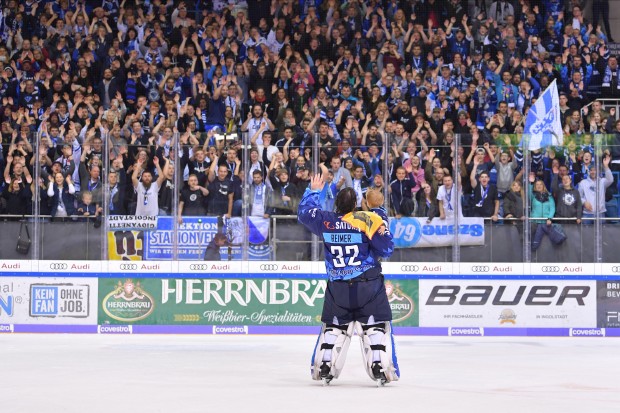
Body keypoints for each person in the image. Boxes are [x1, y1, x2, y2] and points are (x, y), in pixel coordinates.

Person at [298, 174, 399, 386]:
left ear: (336, 203)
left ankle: (325, 363)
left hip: (338, 289)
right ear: (356, 205)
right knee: (376, 327)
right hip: (368, 286)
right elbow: (387, 247)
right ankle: (380, 363)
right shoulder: (367, 219)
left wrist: (314, 191)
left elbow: (305, 213)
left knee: (334, 328)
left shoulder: (326, 221)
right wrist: (377, 209)